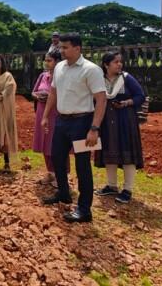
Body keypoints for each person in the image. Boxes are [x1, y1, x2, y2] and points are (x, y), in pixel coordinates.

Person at [41, 33, 106, 223]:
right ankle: (63, 193)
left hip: (83, 121)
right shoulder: (60, 67)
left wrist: (94, 128)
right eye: (60, 47)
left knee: (82, 165)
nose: (61, 51)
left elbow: (101, 99)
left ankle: (85, 209)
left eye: (65, 47)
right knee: (57, 158)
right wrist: (46, 116)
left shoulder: (91, 70)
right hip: (61, 121)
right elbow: (53, 92)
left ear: (78, 48)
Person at [94, 51, 145, 204]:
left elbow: (140, 96)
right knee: (110, 152)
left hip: (125, 121)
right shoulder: (99, 80)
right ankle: (112, 185)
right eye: (116, 62)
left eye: (120, 62)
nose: (119, 64)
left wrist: (125, 103)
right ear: (106, 64)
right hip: (106, 121)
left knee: (127, 154)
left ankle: (128, 189)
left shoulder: (126, 78)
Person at [32, 51, 63, 186]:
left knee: (56, 143)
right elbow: (33, 92)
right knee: (44, 142)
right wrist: (38, 96)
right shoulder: (43, 75)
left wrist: (51, 97)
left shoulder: (62, 76)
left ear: (57, 62)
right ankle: (50, 173)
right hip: (41, 111)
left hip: (55, 113)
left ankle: (60, 175)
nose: (46, 63)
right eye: (46, 60)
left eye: (49, 60)